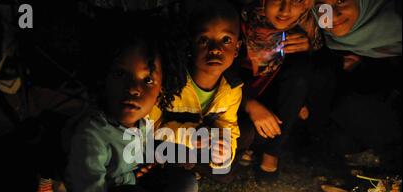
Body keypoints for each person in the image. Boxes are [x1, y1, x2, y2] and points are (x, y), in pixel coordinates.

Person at [66, 14, 220, 192]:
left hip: (131, 183)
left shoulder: (144, 119)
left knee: (184, 185)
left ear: (163, 86)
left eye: (147, 80)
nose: (134, 89)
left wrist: (147, 160)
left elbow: (135, 152)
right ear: (101, 76)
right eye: (120, 74)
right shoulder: (90, 135)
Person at [150, 0, 243, 179]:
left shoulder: (232, 88)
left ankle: (195, 167)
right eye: (204, 40)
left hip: (202, 142)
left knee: (226, 166)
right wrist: (190, 136)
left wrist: (224, 151)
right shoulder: (171, 82)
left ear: (237, 47)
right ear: (190, 45)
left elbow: (228, 126)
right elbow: (150, 129)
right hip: (168, 142)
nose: (215, 49)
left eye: (226, 40)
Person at [239, 0, 323, 180]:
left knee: (302, 70)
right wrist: (249, 104)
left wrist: (309, 46)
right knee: (247, 133)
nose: (285, 10)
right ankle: (254, 145)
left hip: (274, 97)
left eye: (296, 1)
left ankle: (271, 152)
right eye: (278, 0)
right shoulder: (240, 19)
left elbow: (314, 67)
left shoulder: (311, 21)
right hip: (236, 98)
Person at [314, 0, 402, 172]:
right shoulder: (325, 39)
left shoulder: (395, 18)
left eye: (341, 1)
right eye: (323, 5)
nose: (334, 13)